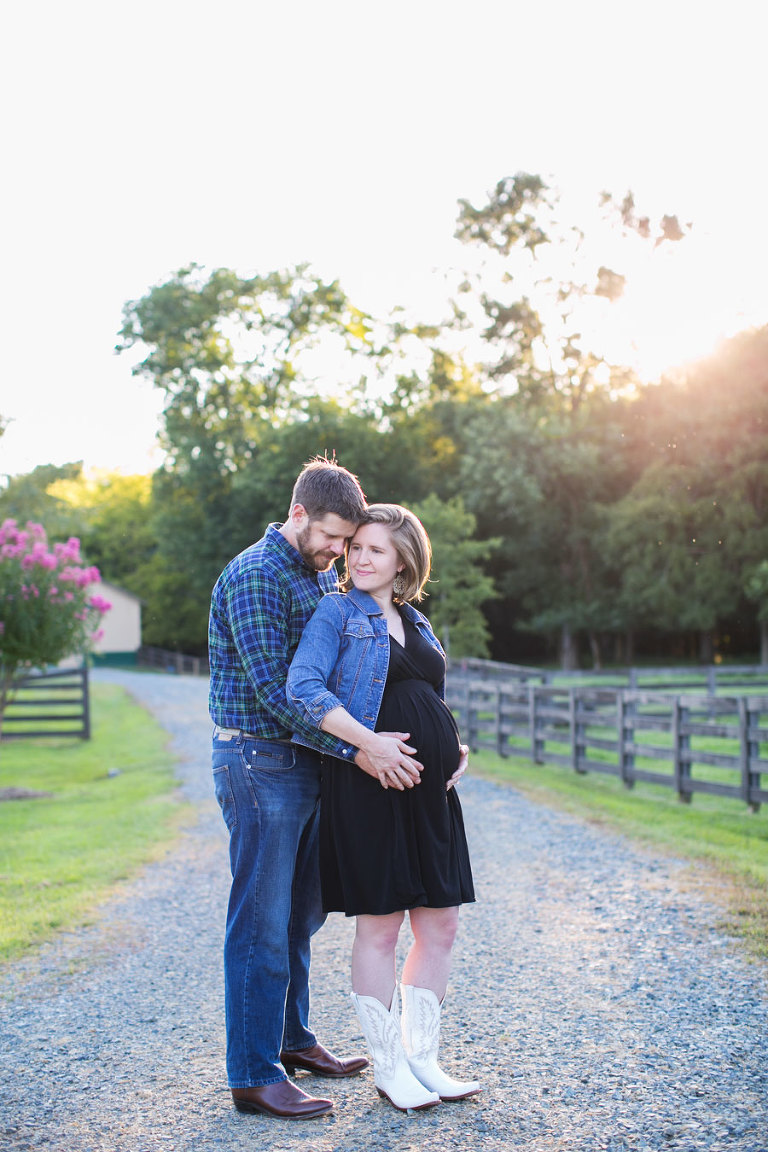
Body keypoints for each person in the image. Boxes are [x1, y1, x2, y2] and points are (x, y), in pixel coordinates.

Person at [208, 459, 424, 1121]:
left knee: (302, 912)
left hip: (302, 765)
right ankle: (253, 1073)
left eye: (348, 540)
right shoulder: (255, 575)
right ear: (298, 514)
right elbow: (278, 694)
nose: (340, 551)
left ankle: (293, 1039)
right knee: (262, 922)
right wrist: (357, 749)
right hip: (258, 761)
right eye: (332, 536)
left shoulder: (314, 574)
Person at [286, 503, 480, 1112]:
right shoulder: (336, 612)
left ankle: (424, 1058)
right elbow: (303, 688)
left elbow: (427, 695)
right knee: (381, 925)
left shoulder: (417, 622)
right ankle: (389, 1068)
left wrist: (453, 744)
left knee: (440, 923)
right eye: (356, 547)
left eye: (375, 549)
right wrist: (367, 743)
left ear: (404, 561)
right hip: (370, 785)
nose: (359, 557)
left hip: (430, 791)